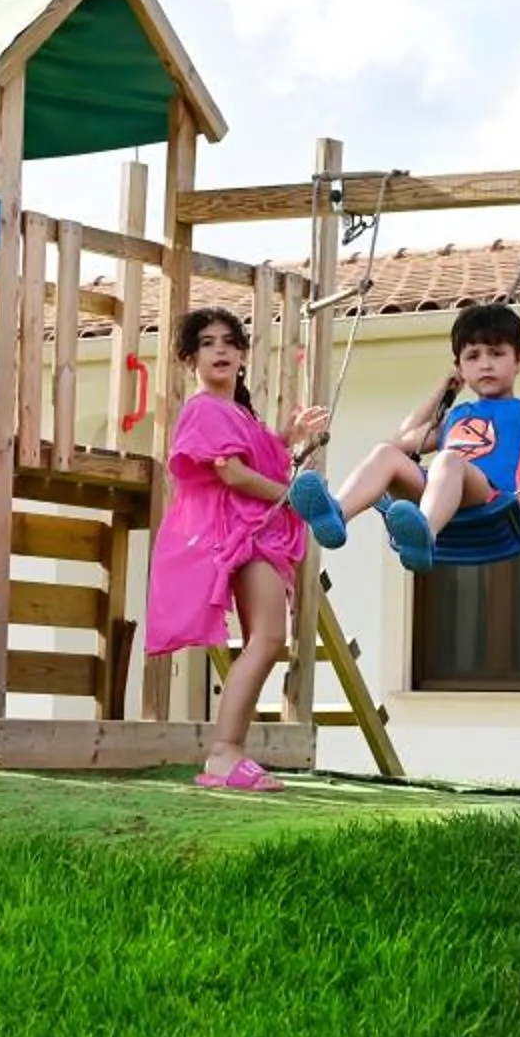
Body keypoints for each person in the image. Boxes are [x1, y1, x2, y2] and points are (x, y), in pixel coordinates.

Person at [283, 303, 520, 572]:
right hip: (439, 490)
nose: (485, 364)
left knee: (449, 459)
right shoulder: (455, 415)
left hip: (489, 496)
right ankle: (336, 515)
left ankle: (424, 535)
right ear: (460, 367)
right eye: (473, 357)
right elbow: (401, 441)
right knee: (385, 454)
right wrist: (440, 390)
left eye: (497, 354)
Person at [143, 308, 328, 791]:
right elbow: (231, 472)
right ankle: (225, 754)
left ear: (242, 355)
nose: (220, 350)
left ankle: (228, 752)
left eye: (229, 342)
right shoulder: (204, 408)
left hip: (255, 530)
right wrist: (292, 498)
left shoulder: (238, 413)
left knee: (266, 640)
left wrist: (288, 438)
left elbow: (256, 456)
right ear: (189, 359)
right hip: (239, 533)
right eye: (207, 343)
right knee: (266, 640)